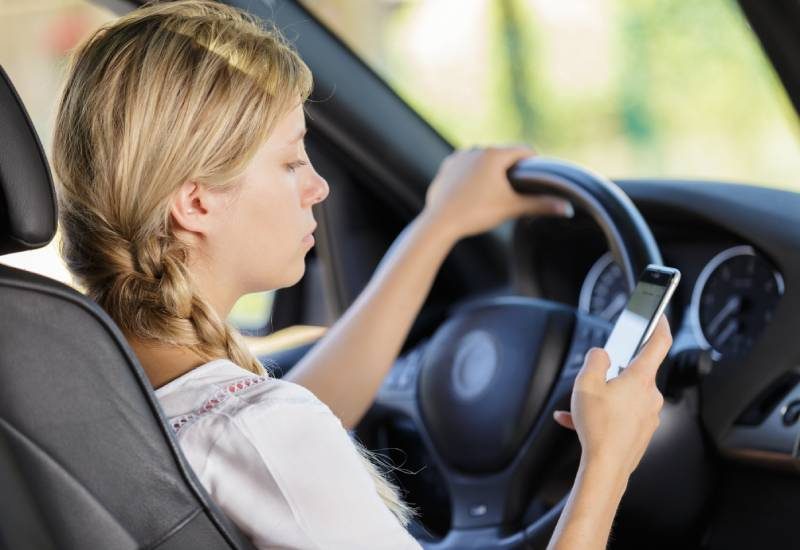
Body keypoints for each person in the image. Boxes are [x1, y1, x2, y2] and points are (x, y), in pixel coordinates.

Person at [51, 1, 670, 549]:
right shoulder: (258, 430)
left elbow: (285, 428)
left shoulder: (70, 370)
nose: (317, 186)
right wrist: (607, 462)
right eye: (291, 161)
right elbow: (267, 438)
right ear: (196, 203)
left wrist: (438, 227)